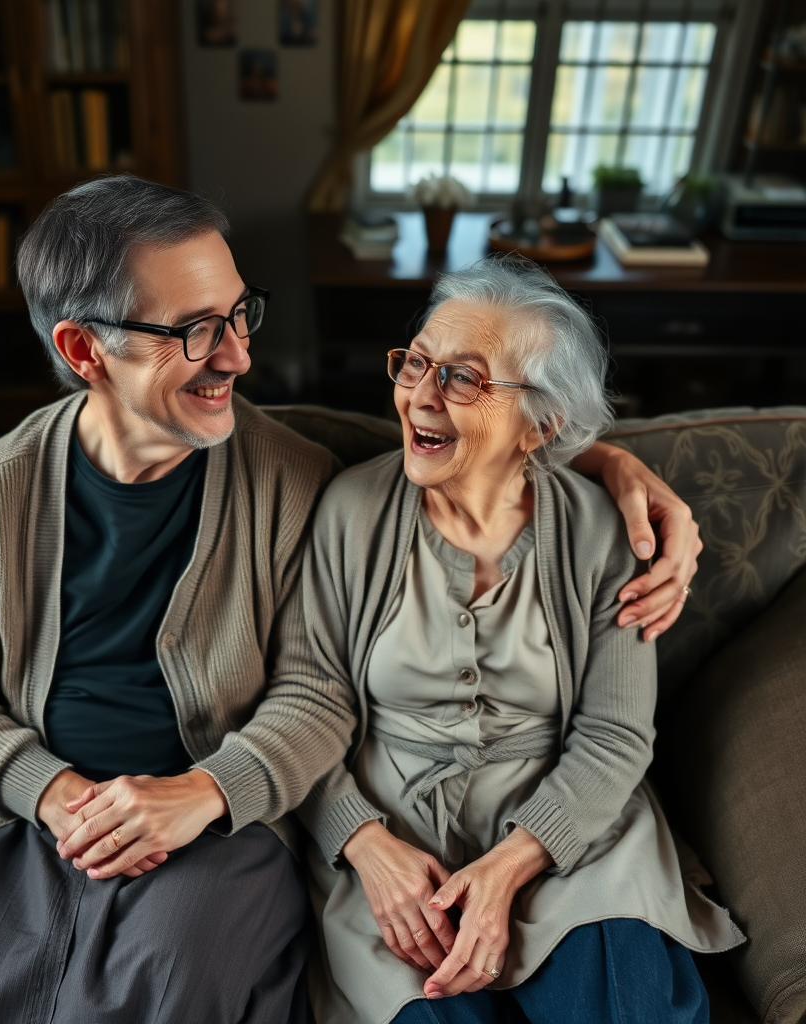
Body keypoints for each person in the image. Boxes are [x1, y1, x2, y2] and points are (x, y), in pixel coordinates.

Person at [0, 177, 701, 1024]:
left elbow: (316, 692)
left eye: (241, 313)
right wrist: (57, 797)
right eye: (197, 330)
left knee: (174, 986)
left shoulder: (294, 481)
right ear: (85, 351)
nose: (241, 355)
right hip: (15, 821)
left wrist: (608, 462)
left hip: (224, 814)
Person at [293, 257, 744, 1024]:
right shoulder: (350, 512)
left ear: (541, 425)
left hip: (572, 832)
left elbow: (614, 734)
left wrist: (509, 867)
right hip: (396, 846)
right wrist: (364, 844)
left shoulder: (604, 532)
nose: (421, 397)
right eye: (418, 364)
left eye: (464, 379)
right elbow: (303, 707)